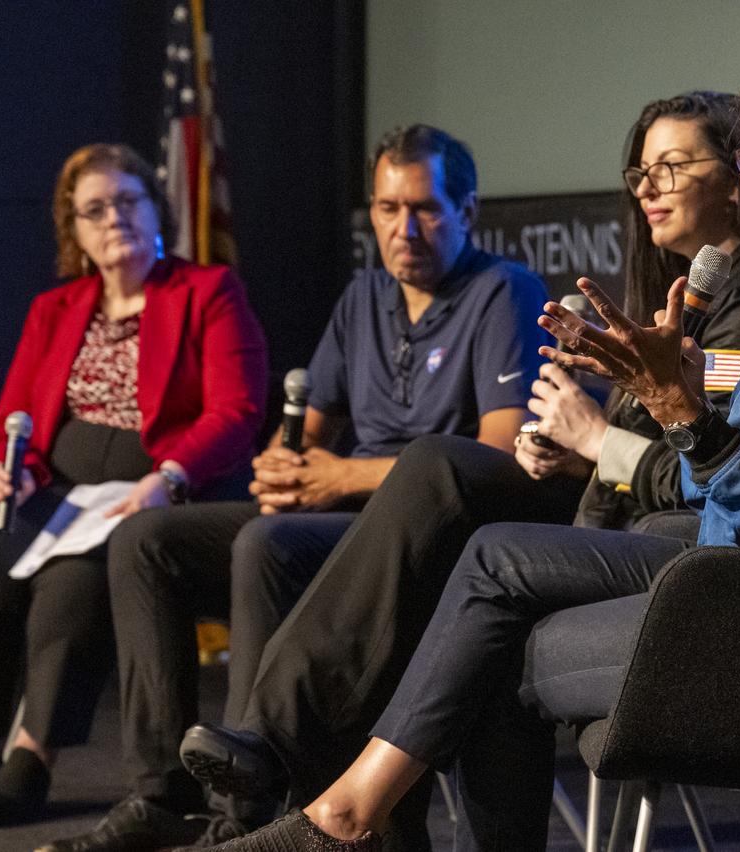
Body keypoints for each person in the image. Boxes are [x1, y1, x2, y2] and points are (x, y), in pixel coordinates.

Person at [191, 48, 740, 852]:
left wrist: (677, 406)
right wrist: (677, 402)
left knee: (490, 612)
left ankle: (340, 817)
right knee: (487, 571)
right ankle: (344, 814)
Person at [170, 91, 740, 850]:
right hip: (605, 514)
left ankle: (290, 759)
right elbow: (650, 458)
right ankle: (284, 787)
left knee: (440, 472)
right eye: (640, 169)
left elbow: (720, 476)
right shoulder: (676, 295)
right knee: (270, 541)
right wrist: (554, 447)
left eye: (674, 166)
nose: (646, 186)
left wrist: (594, 446)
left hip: (671, 549)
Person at [38, 124, 550, 852]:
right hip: (337, 510)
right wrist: (284, 463)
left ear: (467, 211)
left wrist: (339, 474)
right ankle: (160, 794)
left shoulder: (504, 291)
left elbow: (498, 454)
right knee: (147, 539)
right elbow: (305, 434)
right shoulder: (364, 297)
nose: (405, 229)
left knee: (269, 544)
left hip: (423, 534)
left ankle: (246, 804)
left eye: (427, 209)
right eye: (387, 209)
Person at [0, 143, 269, 827]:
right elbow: (8, 417)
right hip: (50, 492)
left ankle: (33, 756)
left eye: (127, 201)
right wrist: (12, 467)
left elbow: (235, 412)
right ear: (75, 231)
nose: (113, 218)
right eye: (95, 209)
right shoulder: (57, 308)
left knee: (74, 587)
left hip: (142, 496)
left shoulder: (206, 292)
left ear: (154, 209)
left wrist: (166, 480)